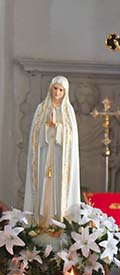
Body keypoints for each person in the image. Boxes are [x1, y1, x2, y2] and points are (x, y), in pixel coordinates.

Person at [23, 76, 80, 224]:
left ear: (65, 92)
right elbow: (35, 135)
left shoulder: (68, 111)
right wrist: (47, 128)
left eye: (61, 90)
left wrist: (58, 127)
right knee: (44, 188)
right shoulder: (41, 109)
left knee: (58, 190)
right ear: (50, 88)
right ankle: (41, 223)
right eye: (55, 88)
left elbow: (71, 138)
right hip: (44, 155)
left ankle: (59, 222)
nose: (57, 92)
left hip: (61, 158)